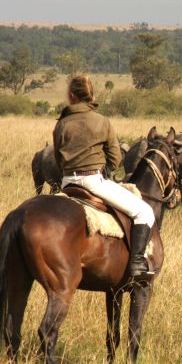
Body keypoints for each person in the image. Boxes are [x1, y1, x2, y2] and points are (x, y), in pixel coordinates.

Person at [53, 75, 154, 281]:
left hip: (66, 183)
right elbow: (115, 158)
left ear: (71, 95)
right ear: (91, 95)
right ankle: (136, 262)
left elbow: (57, 158)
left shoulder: (61, 124)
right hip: (93, 181)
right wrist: (106, 169)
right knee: (144, 211)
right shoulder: (102, 121)